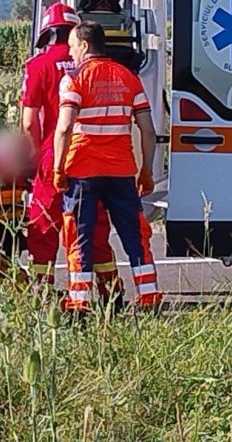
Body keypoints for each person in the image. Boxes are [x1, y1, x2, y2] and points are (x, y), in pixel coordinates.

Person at [53, 21, 162, 311]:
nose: (71, 52)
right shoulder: (128, 78)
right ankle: (148, 295)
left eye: (73, 46)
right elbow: (148, 131)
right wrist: (147, 171)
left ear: (85, 46)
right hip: (122, 171)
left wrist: (58, 168)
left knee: (80, 236)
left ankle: (79, 302)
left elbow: (64, 128)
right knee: (135, 235)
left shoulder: (74, 79)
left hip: (82, 170)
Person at [21, 4, 122, 297]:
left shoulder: (38, 65)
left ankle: (43, 295)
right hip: (90, 158)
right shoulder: (95, 66)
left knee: (44, 228)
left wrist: (34, 157)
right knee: (93, 228)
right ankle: (109, 292)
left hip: (53, 155)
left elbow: (29, 123)